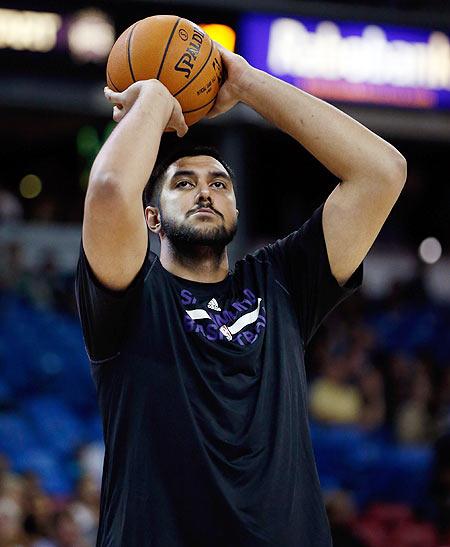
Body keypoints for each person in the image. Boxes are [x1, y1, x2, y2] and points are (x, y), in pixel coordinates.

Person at [75, 41, 406, 547]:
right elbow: (109, 190)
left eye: (220, 184)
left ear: (235, 212)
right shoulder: (131, 291)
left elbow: (381, 172)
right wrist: (157, 101)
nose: (205, 191)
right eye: (183, 183)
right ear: (152, 218)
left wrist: (248, 83)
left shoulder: (281, 282)